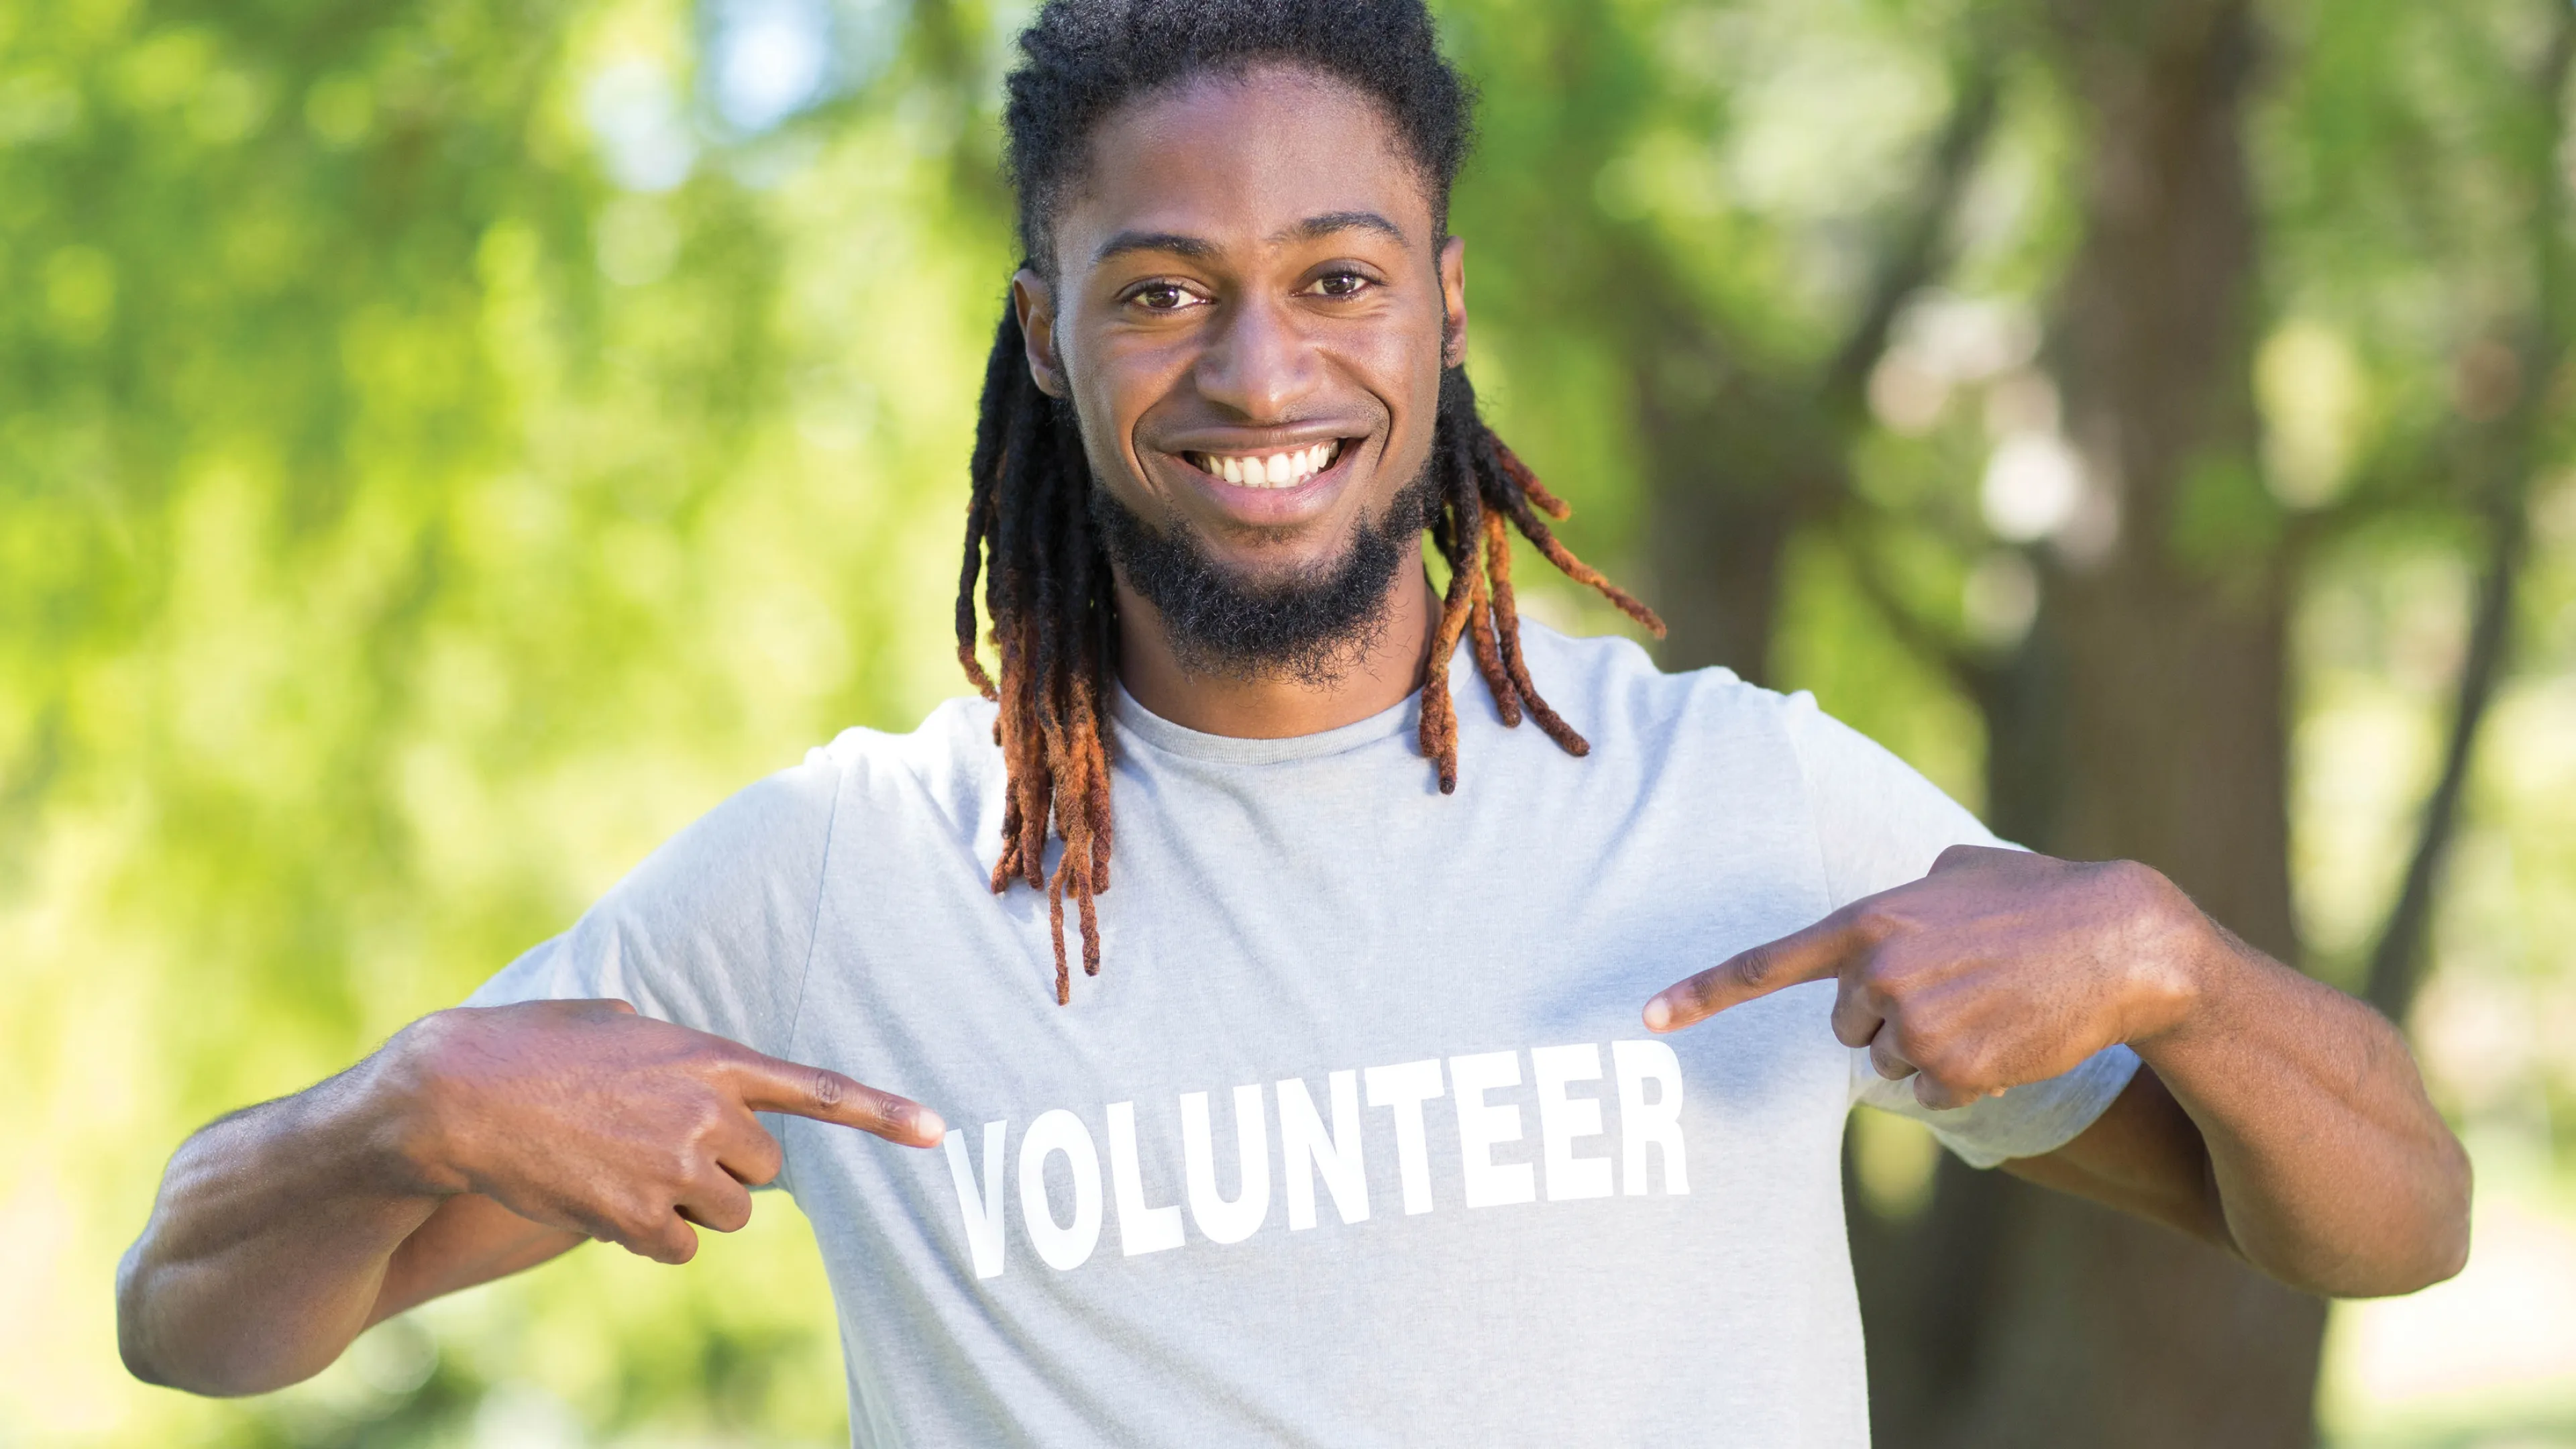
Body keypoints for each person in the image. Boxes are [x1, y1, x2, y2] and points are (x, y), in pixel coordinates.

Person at [117, 1, 2470, 1442]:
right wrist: (403, 1105)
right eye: (1165, 292)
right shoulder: (848, 885)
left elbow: (2389, 1226)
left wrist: (2172, 957)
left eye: (1336, 278)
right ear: (1047, 336)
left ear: (1441, 306)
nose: (1262, 374)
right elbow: (195, 1323)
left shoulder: (1742, 808)